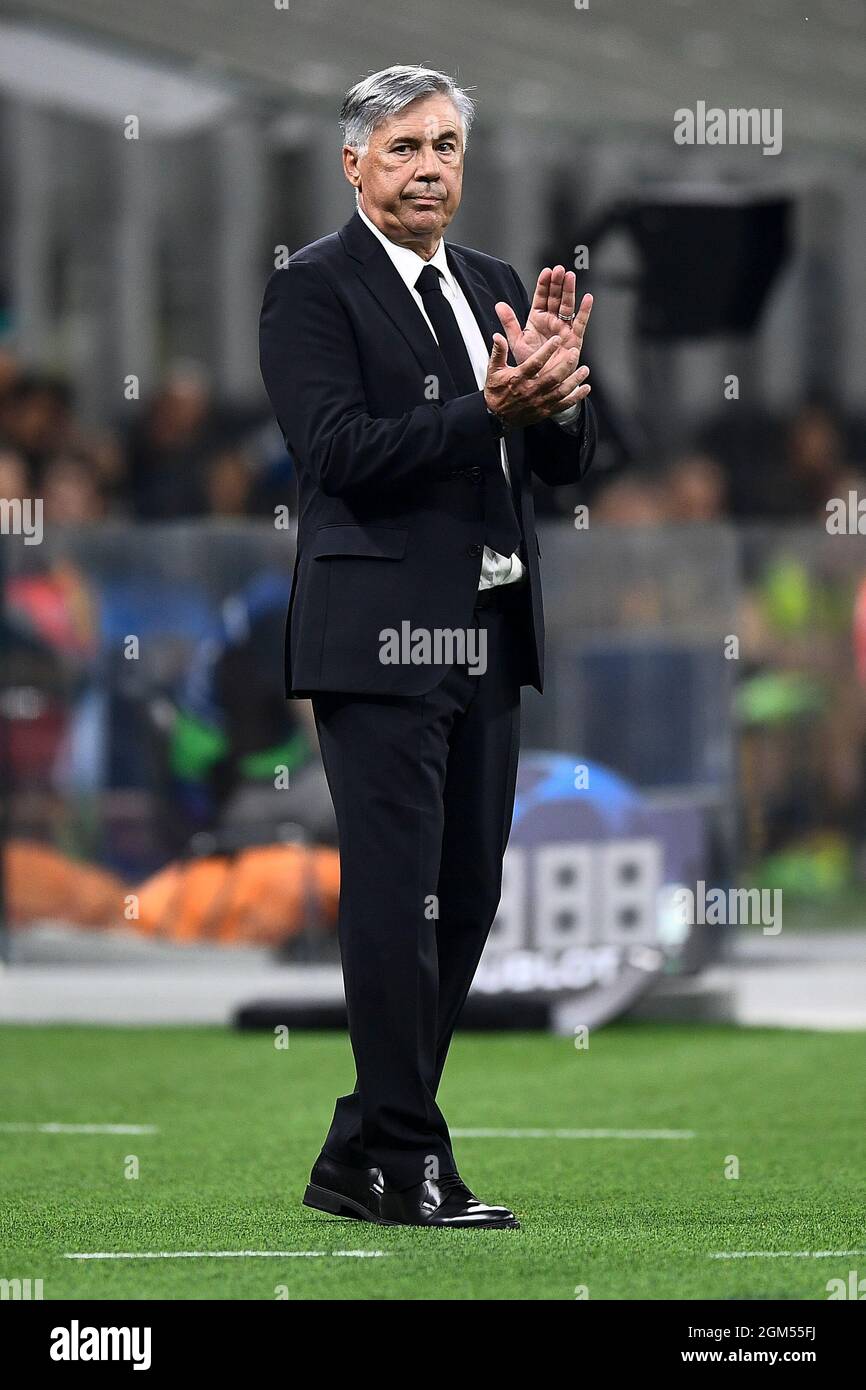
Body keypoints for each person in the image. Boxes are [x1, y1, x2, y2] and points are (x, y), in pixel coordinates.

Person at [259, 64, 596, 1229]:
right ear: (353, 163)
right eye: (402, 148)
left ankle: (367, 1149)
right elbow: (339, 450)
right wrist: (489, 412)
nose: (427, 168)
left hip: (490, 631)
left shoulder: (498, 283)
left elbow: (558, 467)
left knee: (465, 898)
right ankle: (403, 1155)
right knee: (396, 898)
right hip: (379, 638)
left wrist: (553, 399)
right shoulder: (312, 289)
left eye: (445, 146)